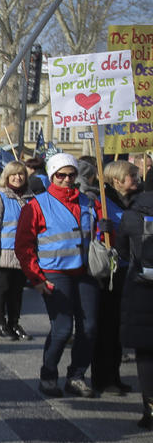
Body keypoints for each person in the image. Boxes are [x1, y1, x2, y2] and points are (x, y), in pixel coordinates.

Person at [15, 153, 101, 399]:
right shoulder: (37, 205)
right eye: (60, 175)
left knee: (89, 328)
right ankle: (48, 375)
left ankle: (76, 376)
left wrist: (105, 230)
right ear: (52, 176)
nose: (66, 180)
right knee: (62, 329)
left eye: (71, 175)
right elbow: (24, 246)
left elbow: (98, 237)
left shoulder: (88, 202)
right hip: (55, 273)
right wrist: (37, 279)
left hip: (85, 272)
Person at [92, 160, 139, 395]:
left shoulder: (132, 202)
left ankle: (115, 374)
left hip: (127, 268)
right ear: (117, 179)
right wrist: (103, 229)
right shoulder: (102, 200)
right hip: (108, 271)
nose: (136, 179)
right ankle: (102, 377)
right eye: (132, 175)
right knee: (107, 326)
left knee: (119, 327)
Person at [113, 184, 153, 428]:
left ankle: (150, 409)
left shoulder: (131, 214)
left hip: (141, 288)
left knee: (146, 354)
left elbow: (123, 252)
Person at [0, 161, 33, 341]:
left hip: (24, 252)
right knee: (2, 288)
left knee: (17, 290)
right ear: (6, 177)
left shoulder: (30, 197)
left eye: (21, 174)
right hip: (4, 251)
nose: (17, 177)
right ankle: (0, 324)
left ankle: (14, 322)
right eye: (13, 174)